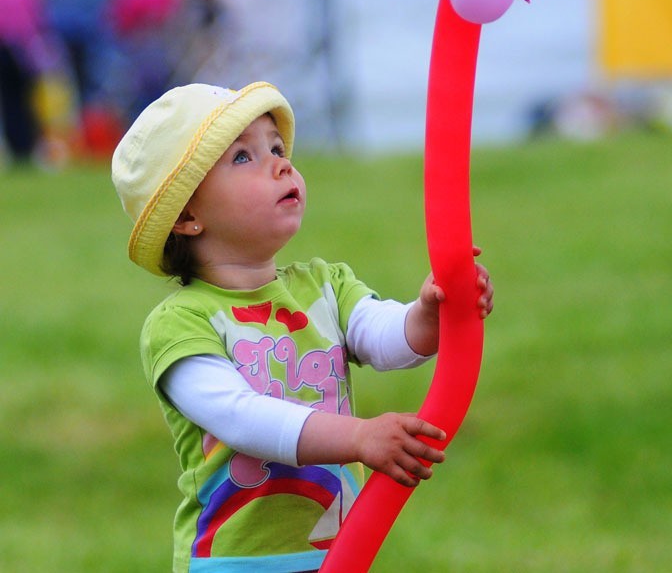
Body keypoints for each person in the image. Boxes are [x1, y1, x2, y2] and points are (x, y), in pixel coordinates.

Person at [111, 81, 494, 573]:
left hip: (338, 552)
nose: (281, 163)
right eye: (243, 158)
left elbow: (387, 337)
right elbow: (239, 417)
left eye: (275, 146)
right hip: (233, 564)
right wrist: (357, 438)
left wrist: (431, 312)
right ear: (187, 215)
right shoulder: (180, 323)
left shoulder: (323, 285)